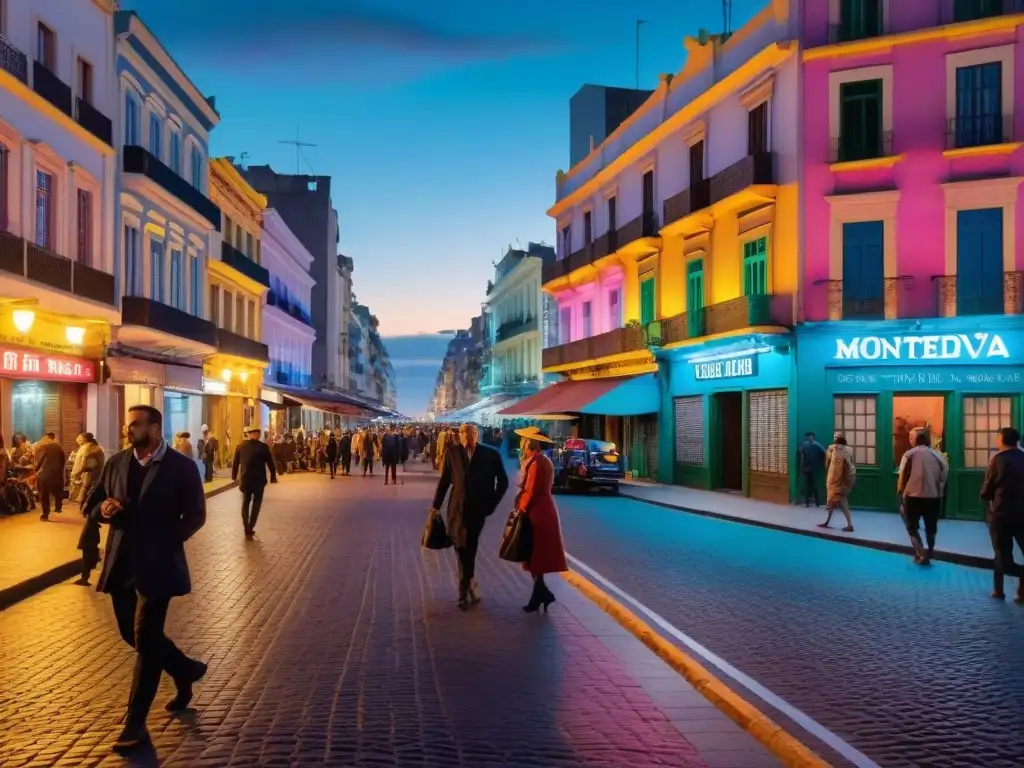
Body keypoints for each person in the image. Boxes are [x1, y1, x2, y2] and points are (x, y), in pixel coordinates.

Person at [84, 404, 208, 752]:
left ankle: (134, 723)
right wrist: (103, 510)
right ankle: (183, 669)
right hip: (122, 561)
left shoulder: (181, 467)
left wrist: (169, 539)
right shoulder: (117, 462)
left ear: (155, 428)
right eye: (128, 425)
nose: (129, 430)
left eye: (136, 425)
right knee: (131, 633)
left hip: (159, 563)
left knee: (146, 635)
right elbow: (91, 504)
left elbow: (196, 514)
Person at [431, 423, 509, 610]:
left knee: (470, 546)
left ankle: (466, 585)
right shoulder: (452, 452)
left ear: (477, 435)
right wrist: (436, 506)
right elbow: (445, 481)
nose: (466, 438)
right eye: (463, 435)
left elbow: (504, 481)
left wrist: (492, 504)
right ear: (459, 436)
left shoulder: (491, 454)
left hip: (478, 509)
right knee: (459, 545)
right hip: (456, 508)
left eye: (470, 434)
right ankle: (464, 589)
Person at [514, 428, 567, 613]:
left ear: (529, 442)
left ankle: (540, 595)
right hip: (539, 510)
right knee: (535, 557)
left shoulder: (537, 462)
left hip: (538, 512)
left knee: (535, 555)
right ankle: (542, 594)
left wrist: (520, 509)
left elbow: (531, 490)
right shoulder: (538, 460)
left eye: (523, 440)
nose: (520, 443)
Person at [980, 427, 1024, 602]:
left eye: (998, 436)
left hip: (1001, 513)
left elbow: (988, 487)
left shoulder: (998, 460)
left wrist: (986, 498)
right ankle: (1019, 591)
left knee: (1001, 553)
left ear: (1002, 439)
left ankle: (1000, 589)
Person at [898, 429, 948, 565]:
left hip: (912, 496)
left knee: (912, 527)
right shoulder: (938, 455)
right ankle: (929, 554)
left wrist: (901, 493)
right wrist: (939, 492)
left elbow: (902, 475)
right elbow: (944, 476)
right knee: (931, 528)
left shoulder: (909, 454)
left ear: (916, 441)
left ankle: (919, 553)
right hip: (933, 496)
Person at [232, 426, 278, 539]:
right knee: (256, 505)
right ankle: (251, 526)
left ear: (249, 434)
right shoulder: (263, 447)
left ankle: (246, 526)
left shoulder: (240, 446)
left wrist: (234, 476)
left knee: (245, 503)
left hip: (246, 480)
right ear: (258, 435)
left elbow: (235, 463)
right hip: (259, 481)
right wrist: (273, 476)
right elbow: (270, 463)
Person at [819, 432, 855, 532]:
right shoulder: (849, 449)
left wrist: (831, 477)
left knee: (832, 500)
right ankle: (846, 523)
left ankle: (829, 522)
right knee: (842, 500)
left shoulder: (832, 448)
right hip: (847, 478)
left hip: (834, 479)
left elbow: (827, 464)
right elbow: (852, 463)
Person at [34, 432, 66, 521]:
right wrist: (60, 472)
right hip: (56, 473)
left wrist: (36, 469)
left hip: (45, 474)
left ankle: (45, 514)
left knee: (44, 494)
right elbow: (63, 461)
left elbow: (39, 461)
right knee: (57, 491)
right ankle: (58, 506)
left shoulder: (42, 447)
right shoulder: (59, 447)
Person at [797, 432, 826, 507]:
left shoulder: (816, 444)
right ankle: (808, 502)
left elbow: (825, 452)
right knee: (808, 485)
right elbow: (800, 451)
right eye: (809, 437)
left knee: (814, 485)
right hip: (807, 467)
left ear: (813, 437)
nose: (810, 438)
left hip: (814, 467)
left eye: (811, 436)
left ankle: (817, 502)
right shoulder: (805, 444)